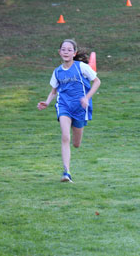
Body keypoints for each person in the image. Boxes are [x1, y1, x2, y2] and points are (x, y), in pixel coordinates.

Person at [37, 39, 101, 182]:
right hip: (64, 105)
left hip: (80, 107)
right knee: (65, 136)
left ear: (74, 53)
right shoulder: (57, 72)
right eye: (63, 49)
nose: (66, 52)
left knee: (76, 144)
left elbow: (97, 82)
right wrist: (46, 102)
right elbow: (54, 91)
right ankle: (66, 172)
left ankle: (74, 143)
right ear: (59, 52)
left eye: (69, 50)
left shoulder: (81, 67)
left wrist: (87, 97)